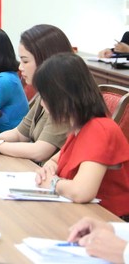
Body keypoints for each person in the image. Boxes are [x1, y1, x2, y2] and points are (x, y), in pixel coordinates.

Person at [34, 54, 129, 217]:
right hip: (82, 213)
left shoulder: (99, 129)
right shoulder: (79, 126)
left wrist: (53, 183)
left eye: (45, 97)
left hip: (107, 219)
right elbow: (57, 159)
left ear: (62, 96)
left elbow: (82, 191)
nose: (42, 103)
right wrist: (49, 168)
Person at [0, 25, 72, 164]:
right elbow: (19, 134)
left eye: (25, 61)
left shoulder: (64, 98)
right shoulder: (45, 93)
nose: (20, 67)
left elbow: (40, 151)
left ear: (47, 61)